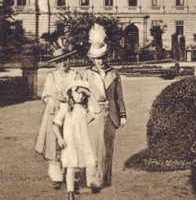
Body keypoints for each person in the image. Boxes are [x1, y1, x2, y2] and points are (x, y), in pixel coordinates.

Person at [83, 24, 127, 193]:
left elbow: (118, 96)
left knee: (107, 149)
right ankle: (94, 181)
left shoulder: (114, 73)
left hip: (111, 116)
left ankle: (104, 179)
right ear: (93, 59)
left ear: (107, 56)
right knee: (94, 148)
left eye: (103, 57)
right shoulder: (88, 74)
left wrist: (122, 114)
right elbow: (82, 96)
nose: (100, 61)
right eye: (97, 58)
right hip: (93, 116)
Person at [35, 48, 80, 191]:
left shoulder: (76, 75)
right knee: (54, 143)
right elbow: (46, 95)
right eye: (59, 61)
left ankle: (72, 175)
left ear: (69, 60)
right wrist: (53, 101)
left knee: (72, 142)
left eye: (65, 59)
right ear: (55, 64)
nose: (63, 63)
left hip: (72, 113)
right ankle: (56, 177)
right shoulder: (51, 77)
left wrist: (73, 101)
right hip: (54, 113)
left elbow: (82, 93)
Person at [52, 81, 96, 200]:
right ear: (71, 93)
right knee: (71, 165)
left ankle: (75, 181)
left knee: (81, 166)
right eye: (77, 93)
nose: (80, 96)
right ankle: (70, 192)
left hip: (82, 140)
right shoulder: (66, 107)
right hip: (69, 141)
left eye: (83, 94)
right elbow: (55, 124)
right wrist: (60, 139)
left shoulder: (84, 108)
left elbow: (94, 113)